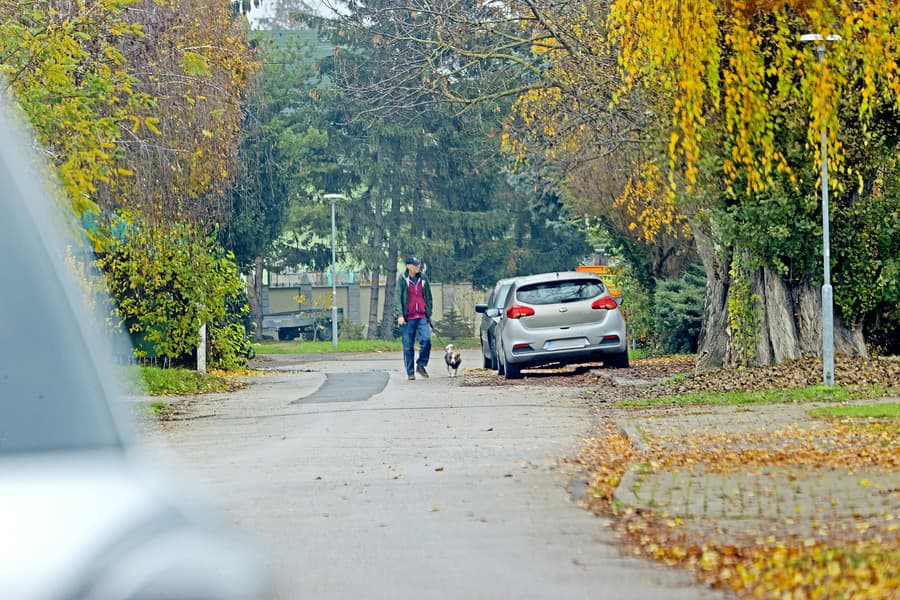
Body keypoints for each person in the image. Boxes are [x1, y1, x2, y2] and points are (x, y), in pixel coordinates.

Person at [394, 256, 433, 380]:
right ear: (408, 266)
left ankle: (421, 365)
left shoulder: (423, 278)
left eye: (418, 265)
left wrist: (429, 311)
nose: (418, 267)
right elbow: (397, 298)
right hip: (408, 317)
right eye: (415, 265)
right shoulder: (402, 279)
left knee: (426, 340)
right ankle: (410, 372)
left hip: (421, 315)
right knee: (408, 345)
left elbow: (429, 296)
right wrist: (400, 315)